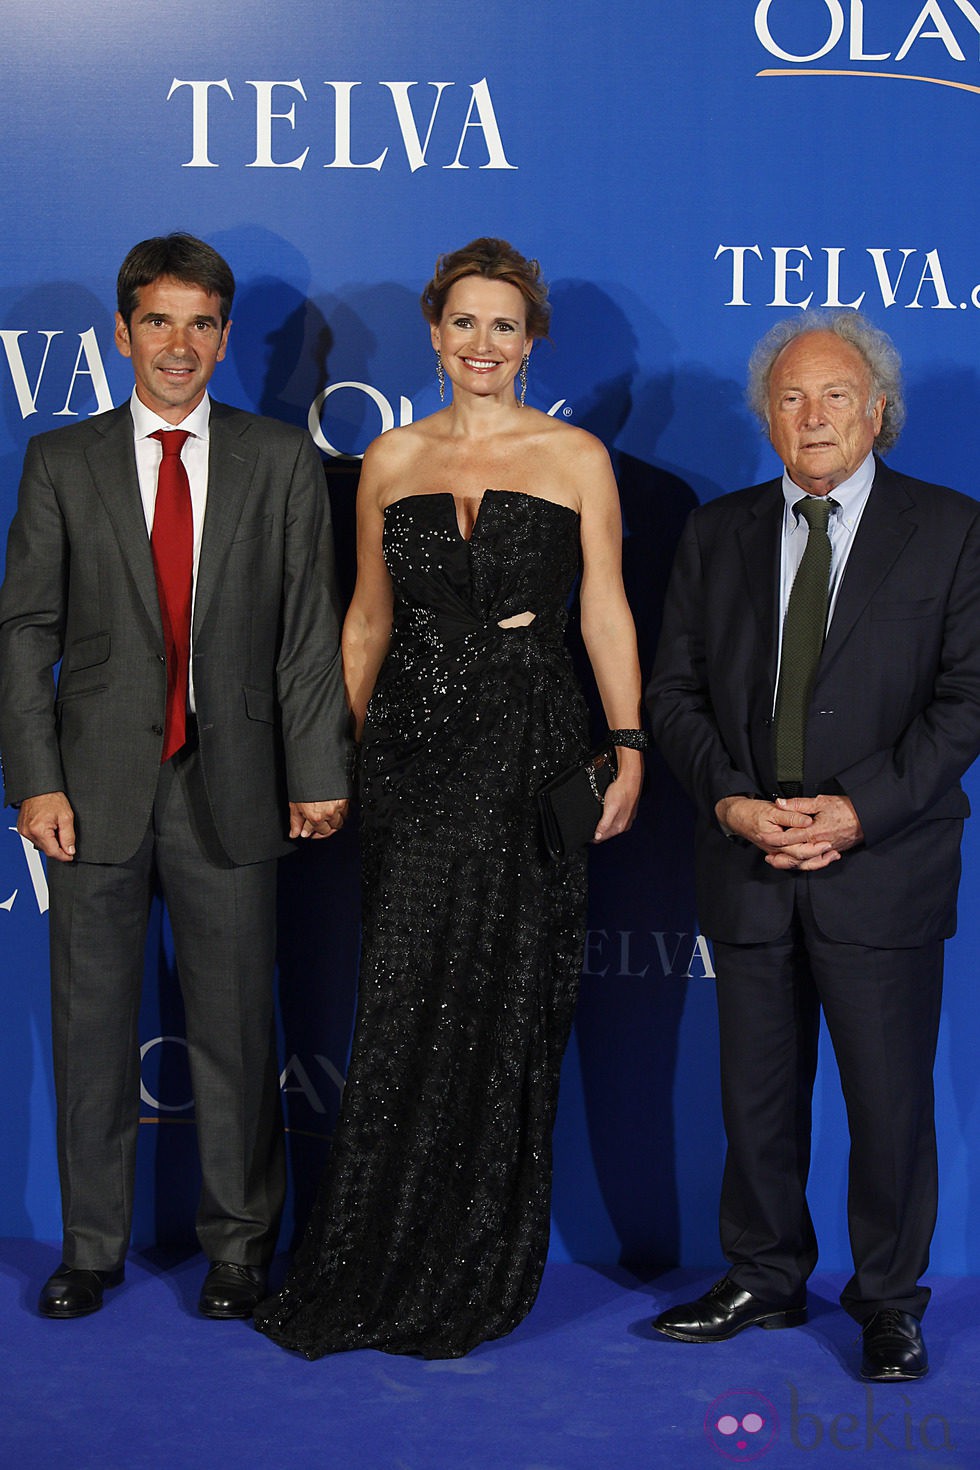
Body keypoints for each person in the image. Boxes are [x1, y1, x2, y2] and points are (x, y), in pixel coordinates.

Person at [253, 237, 645, 1359]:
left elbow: (604, 610)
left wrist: (624, 745)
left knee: (509, 998)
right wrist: (327, 757)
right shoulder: (387, 458)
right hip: (413, 758)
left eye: (504, 326)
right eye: (463, 324)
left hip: (531, 745)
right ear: (434, 335)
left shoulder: (574, 457)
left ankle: (476, 1249)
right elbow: (367, 620)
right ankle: (375, 1251)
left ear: (532, 341)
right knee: (405, 995)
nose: (482, 345)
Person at [0, 233, 351, 1321]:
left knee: (240, 1032)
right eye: (158, 321)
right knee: (91, 1026)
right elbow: (23, 634)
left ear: (225, 337)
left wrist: (316, 768)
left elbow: (305, 635)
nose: (179, 344)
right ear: (121, 333)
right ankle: (90, 1249)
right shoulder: (62, 460)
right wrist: (34, 781)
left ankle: (241, 1249)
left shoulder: (279, 459)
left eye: (201, 323)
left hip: (235, 781)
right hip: (92, 788)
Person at [646, 311, 980, 1382]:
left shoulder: (951, 530)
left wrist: (855, 811)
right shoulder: (717, 531)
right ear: (766, 419)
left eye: (834, 395)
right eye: (789, 398)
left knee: (887, 1102)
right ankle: (763, 1275)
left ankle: (885, 1299)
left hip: (880, 864)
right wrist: (733, 803)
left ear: (876, 412)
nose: (811, 415)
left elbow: (965, 701)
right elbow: (674, 693)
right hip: (744, 856)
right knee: (754, 1089)